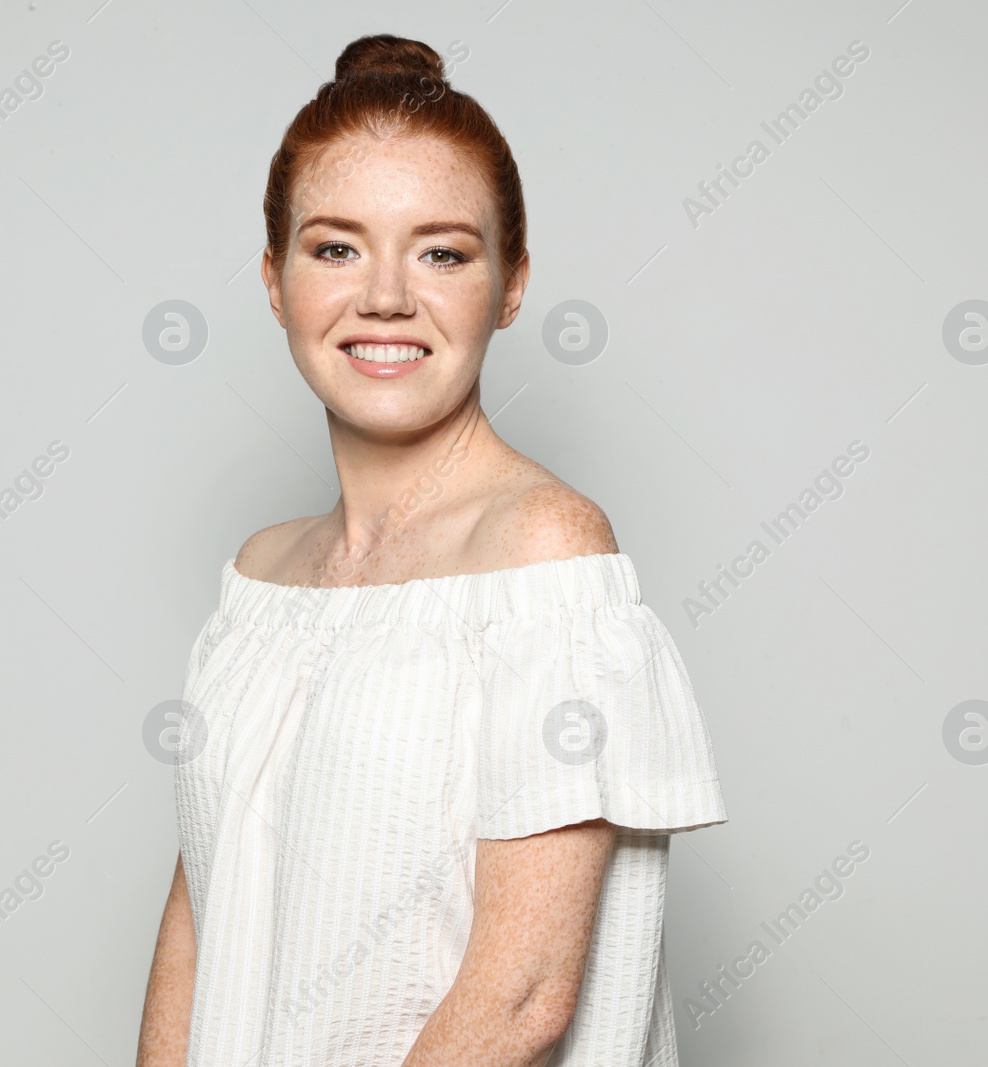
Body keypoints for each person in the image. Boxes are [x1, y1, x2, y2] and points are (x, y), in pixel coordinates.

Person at [135, 33, 727, 1067]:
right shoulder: (259, 580)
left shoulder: (543, 554)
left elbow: (524, 995)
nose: (385, 298)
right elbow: (201, 913)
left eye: (442, 251)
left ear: (509, 284)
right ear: (274, 280)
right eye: (335, 247)